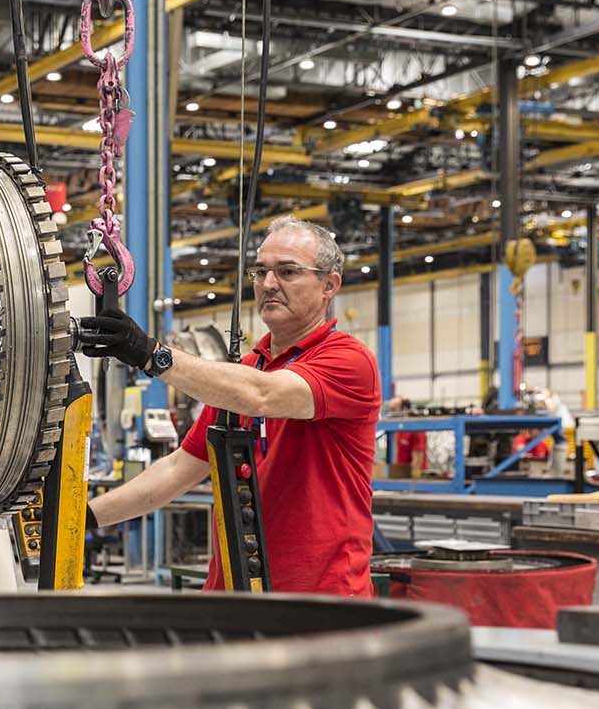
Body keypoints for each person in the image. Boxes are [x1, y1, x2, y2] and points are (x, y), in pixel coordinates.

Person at [78, 216, 381, 596]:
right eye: (261, 272)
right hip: (235, 596)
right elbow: (176, 470)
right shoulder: (246, 371)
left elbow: (263, 396)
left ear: (329, 285)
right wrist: (82, 518)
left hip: (321, 603)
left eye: (287, 271)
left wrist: (149, 354)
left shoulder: (349, 360)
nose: (269, 284)